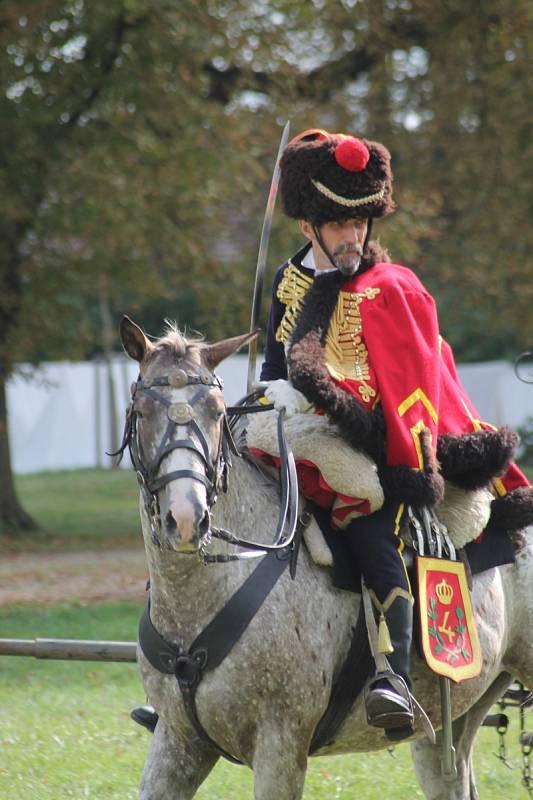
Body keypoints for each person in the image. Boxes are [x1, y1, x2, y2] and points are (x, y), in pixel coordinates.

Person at [258, 128, 532, 738]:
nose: (354, 236)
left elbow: (407, 384)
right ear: (308, 226)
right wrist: (272, 395)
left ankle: (394, 676)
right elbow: (274, 366)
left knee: (371, 515)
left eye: (361, 223)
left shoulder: (391, 288)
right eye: (340, 225)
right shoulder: (285, 283)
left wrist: (341, 410)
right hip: (293, 431)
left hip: (380, 442)